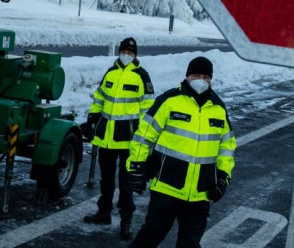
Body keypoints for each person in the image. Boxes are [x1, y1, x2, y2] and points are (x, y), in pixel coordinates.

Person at [126, 56, 236, 248]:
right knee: (148, 239)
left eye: (205, 76)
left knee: (190, 244)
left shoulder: (218, 108)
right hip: (166, 188)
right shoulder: (169, 100)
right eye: (196, 75)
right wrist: (136, 167)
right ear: (187, 76)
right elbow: (144, 136)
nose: (201, 80)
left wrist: (223, 178)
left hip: (200, 194)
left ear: (211, 79)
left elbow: (226, 147)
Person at [83, 37, 155, 240]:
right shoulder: (111, 72)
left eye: (131, 53)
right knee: (106, 180)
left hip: (128, 140)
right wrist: (92, 119)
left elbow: (147, 109)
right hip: (106, 137)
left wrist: (143, 137)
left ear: (135, 56)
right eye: (124, 52)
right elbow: (100, 97)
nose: (127, 56)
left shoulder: (142, 76)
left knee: (126, 182)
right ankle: (104, 213)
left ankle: (126, 220)